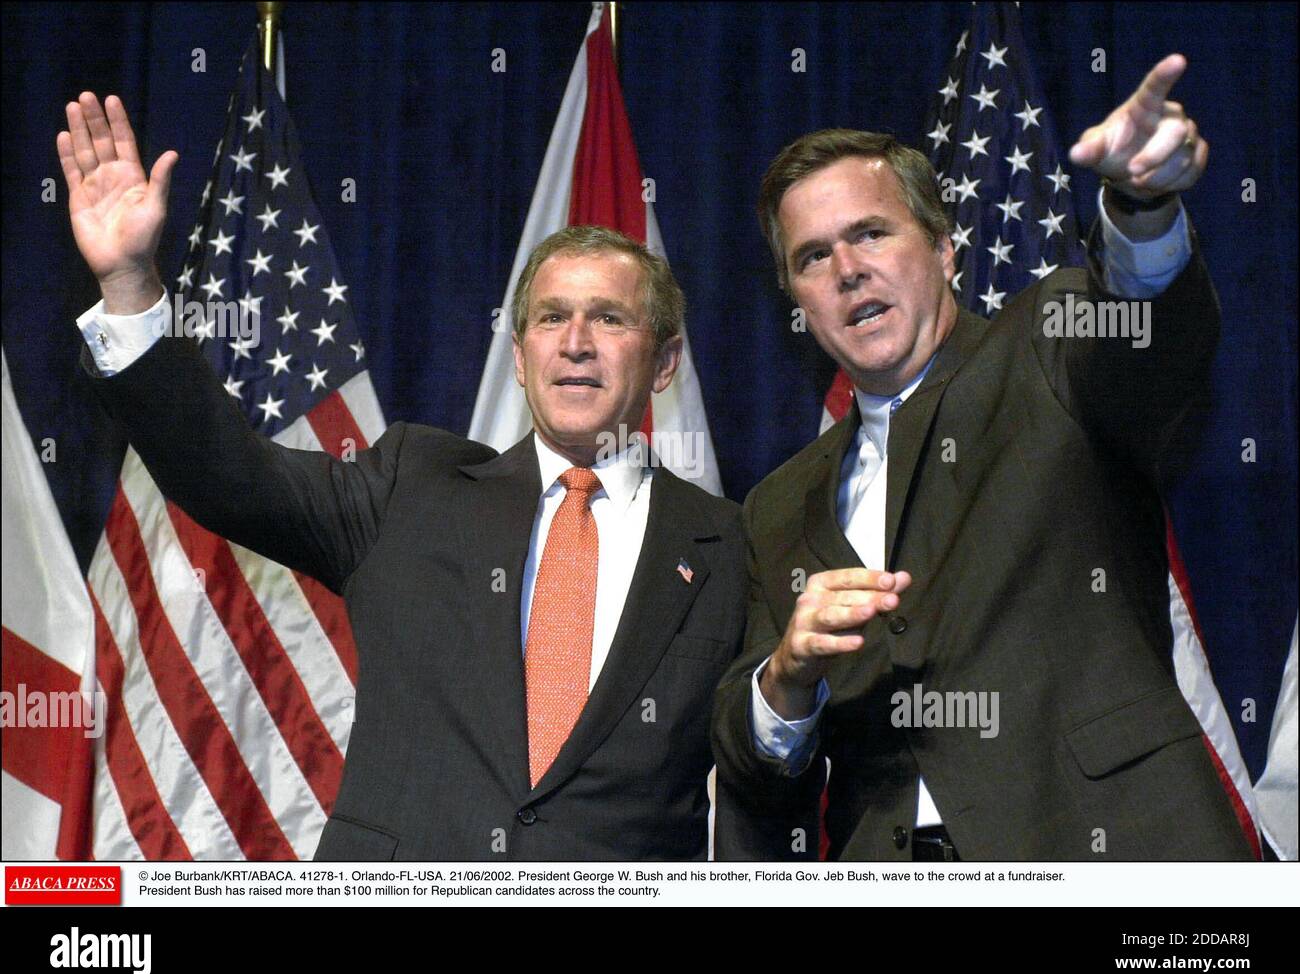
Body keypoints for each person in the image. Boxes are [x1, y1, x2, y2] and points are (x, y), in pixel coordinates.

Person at [58, 92, 745, 861]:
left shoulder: (729, 547)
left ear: (666, 360)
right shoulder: (411, 486)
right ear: (519, 358)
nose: (576, 343)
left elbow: (765, 771)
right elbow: (229, 475)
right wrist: (128, 284)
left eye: (610, 318)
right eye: (552, 318)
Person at [711, 55, 1255, 860]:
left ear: (943, 248)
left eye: (870, 232)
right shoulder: (777, 504)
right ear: (795, 296)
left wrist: (1142, 206)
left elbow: (1148, 333)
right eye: (813, 257)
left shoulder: (1046, 344)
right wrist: (786, 678)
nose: (847, 268)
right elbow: (761, 768)